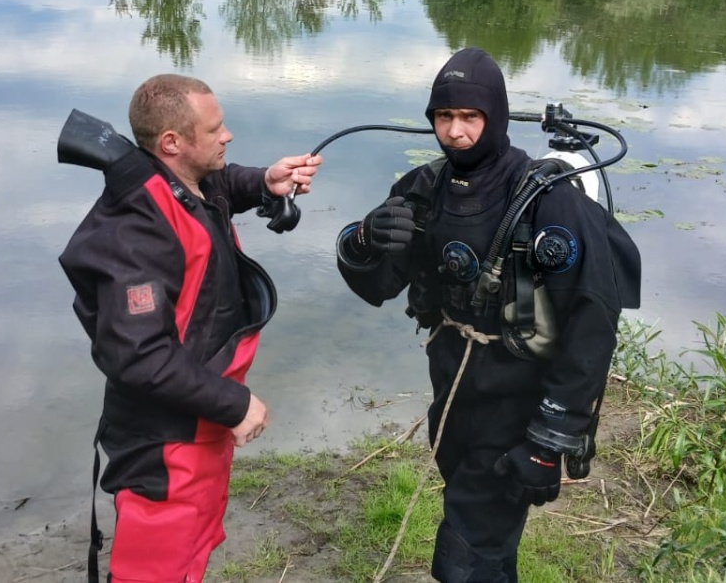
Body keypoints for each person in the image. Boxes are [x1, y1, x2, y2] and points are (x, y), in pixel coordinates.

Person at [334, 47, 641, 582]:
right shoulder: (423, 190)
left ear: (495, 116)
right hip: (453, 392)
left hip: (519, 403)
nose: (454, 132)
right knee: (487, 540)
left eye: (469, 117)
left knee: (465, 555)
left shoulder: (546, 200)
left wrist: (551, 435)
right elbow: (380, 286)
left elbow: (593, 320)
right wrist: (362, 239)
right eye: (443, 116)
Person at [59, 73, 322, 583]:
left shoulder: (180, 184)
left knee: (190, 557)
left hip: (199, 426)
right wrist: (235, 404)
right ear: (172, 143)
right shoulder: (135, 233)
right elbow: (139, 357)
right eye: (215, 129)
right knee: (154, 571)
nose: (228, 136)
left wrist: (265, 182)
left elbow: (216, 186)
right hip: (162, 446)